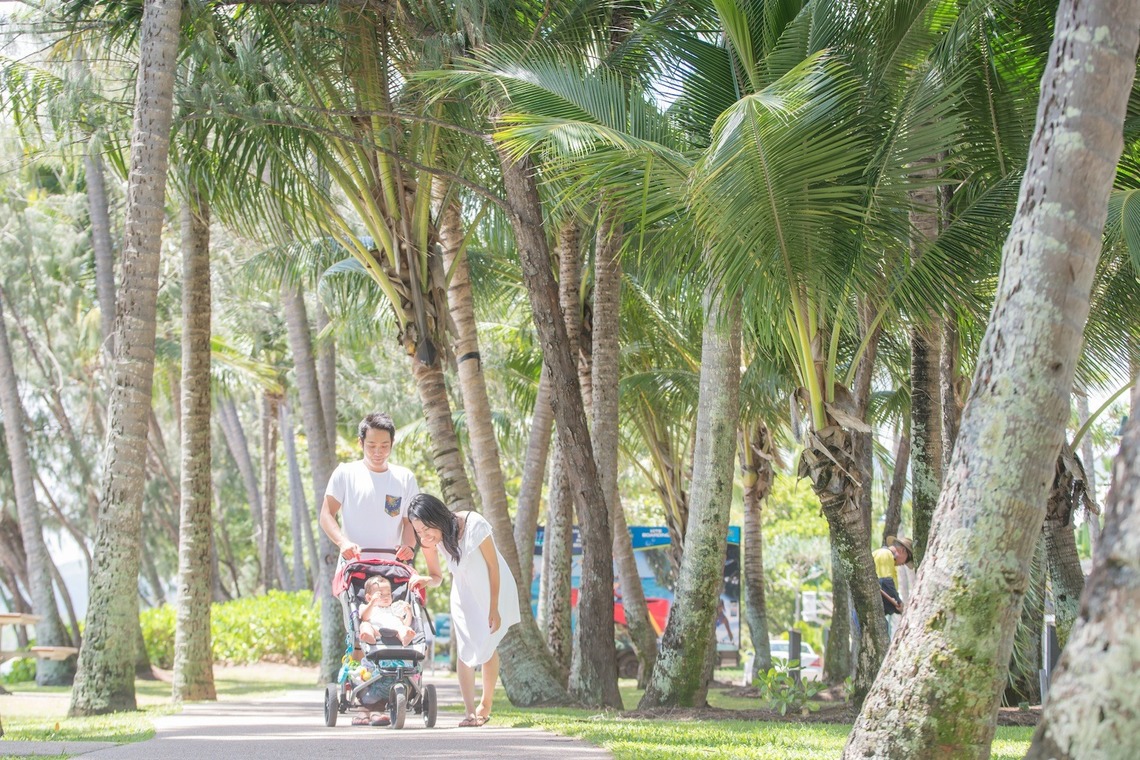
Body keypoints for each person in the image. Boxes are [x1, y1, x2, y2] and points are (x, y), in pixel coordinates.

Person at [406, 493, 520, 728]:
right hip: (463, 594)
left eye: (426, 529)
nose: (424, 536)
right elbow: (437, 577)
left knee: (488, 645)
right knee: (465, 648)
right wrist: (427, 580)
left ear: (437, 516)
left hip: (491, 590)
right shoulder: (428, 541)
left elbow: (493, 566)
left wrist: (494, 607)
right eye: (418, 532)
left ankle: (485, 705)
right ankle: (470, 712)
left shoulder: (473, 524)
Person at [320, 412, 418, 564]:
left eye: (384, 446)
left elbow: (409, 523)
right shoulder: (345, 473)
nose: (378, 452)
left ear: (392, 442)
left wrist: (408, 546)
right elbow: (326, 515)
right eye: (371, 446)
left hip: (391, 568)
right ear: (361, 442)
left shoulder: (405, 478)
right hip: (352, 567)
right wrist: (342, 542)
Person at [358, 576, 415, 646]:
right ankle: (369, 636)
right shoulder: (368, 607)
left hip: (395, 631)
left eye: (388, 594)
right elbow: (364, 618)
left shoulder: (395, 608)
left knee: (405, 628)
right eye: (381, 594)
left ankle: (405, 637)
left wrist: (409, 612)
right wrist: (372, 603)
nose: (386, 597)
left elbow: (404, 624)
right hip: (376, 631)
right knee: (364, 625)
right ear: (369, 598)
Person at [874, 536, 913, 623]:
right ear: (903, 550)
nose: (904, 563)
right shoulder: (885, 554)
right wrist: (899, 603)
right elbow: (885, 584)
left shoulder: (890, 560)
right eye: (907, 559)